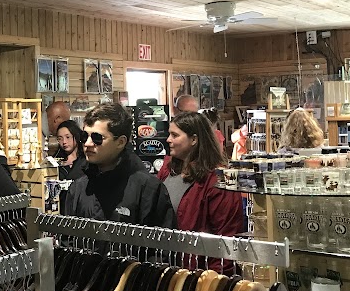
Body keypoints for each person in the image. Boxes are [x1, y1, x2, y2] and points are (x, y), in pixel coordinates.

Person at [63, 103, 175, 227]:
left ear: (120, 142)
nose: (88, 143)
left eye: (97, 138)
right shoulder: (78, 188)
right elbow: (68, 236)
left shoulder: (148, 189)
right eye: (84, 136)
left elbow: (163, 237)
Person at [158, 112, 243, 268]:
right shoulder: (167, 170)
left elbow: (226, 236)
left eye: (175, 135)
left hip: (199, 270)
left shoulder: (217, 179)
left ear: (194, 140)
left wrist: (214, 278)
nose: (168, 139)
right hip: (167, 265)